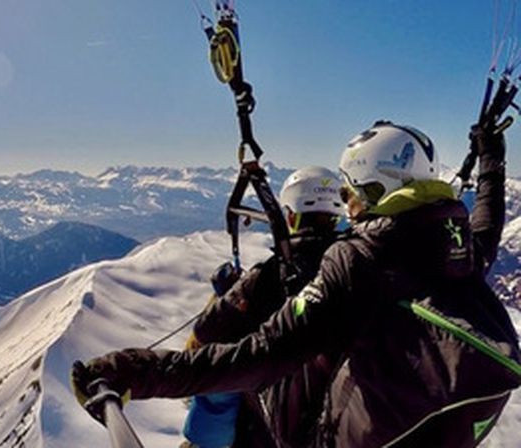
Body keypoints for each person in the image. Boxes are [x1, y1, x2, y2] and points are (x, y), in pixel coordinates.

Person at [72, 119, 521, 447]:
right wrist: (491, 160)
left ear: (374, 191)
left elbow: (265, 353)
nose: (348, 206)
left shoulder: (360, 259)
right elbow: (487, 225)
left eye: (351, 191)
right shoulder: (455, 245)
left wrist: (136, 370)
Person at [181, 166, 345, 448]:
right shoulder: (354, 268)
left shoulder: (269, 277)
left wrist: (225, 297)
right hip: (338, 422)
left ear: (291, 216)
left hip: (266, 429)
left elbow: (206, 334)